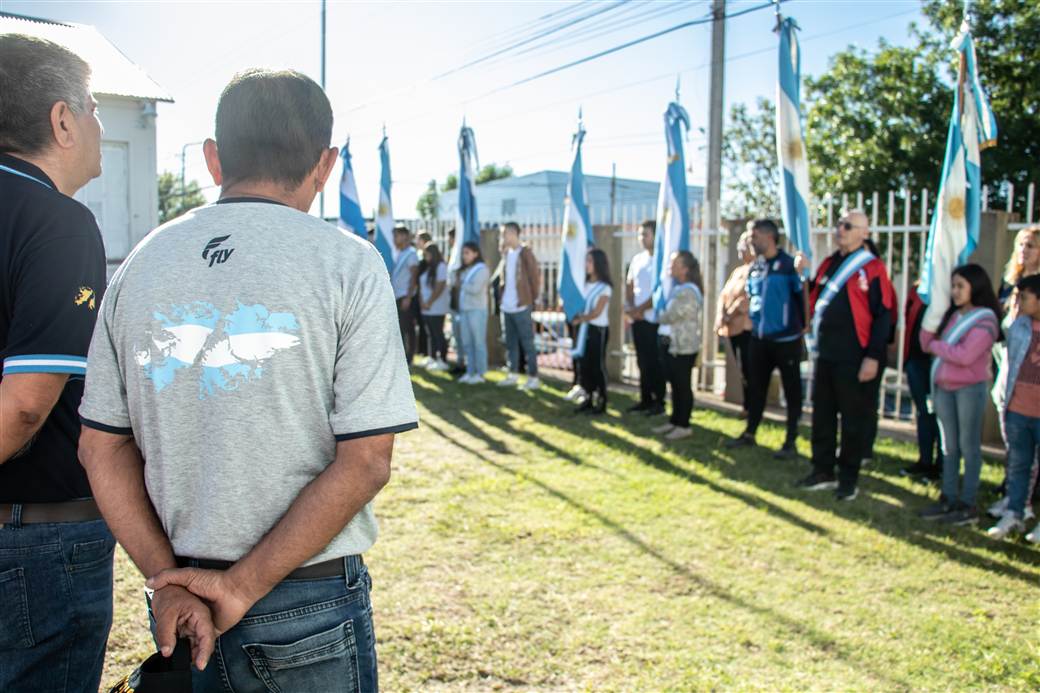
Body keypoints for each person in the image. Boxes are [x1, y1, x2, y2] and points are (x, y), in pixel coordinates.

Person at [77, 68, 418, 691]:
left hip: (180, 598)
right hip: (306, 596)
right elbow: (367, 460)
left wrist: (165, 579)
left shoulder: (139, 265)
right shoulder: (349, 264)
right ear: (326, 163)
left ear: (213, 159)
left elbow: (100, 446)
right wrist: (239, 587)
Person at [0, 34, 118, 693]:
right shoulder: (57, 221)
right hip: (33, 538)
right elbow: (23, 403)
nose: (99, 123)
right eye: (95, 107)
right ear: (62, 119)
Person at [797, 210, 895, 501]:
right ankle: (822, 469)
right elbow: (814, 297)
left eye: (848, 226)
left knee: (853, 419)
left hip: (855, 356)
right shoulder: (829, 263)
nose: (840, 229)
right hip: (826, 353)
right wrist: (803, 274)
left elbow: (883, 315)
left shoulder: (873, 268)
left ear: (864, 233)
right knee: (823, 415)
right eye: (840, 224)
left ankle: (848, 478)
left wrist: (873, 357)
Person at [915, 264, 1001, 526]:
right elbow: (924, 341)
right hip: (944, 389)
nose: (955, 291)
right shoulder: (952, 316)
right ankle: (948, 497)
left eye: (960, 286)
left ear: (975, 287)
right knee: (949, 447)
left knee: (969, 447)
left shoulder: (985, 320)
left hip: (968, 390)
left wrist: (937, 346)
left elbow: (965, 356)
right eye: (953, 286)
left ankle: (967, 503)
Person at [726, 219, 807, 459]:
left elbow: (802, 298)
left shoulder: (788, 266)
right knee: (756, 387)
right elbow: (753, 297)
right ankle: (750, 432)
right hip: (759, 338)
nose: (751, 240)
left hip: (786, 339)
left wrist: (802, 327)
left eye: (754, 236)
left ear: (768, 236)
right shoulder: (757, 267)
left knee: (792, 391)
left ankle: (791, 440)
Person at [987, 225, 1040, 520]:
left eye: (1031, 245)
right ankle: (1014, 499)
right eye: (1021, 244)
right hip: (1008, 366)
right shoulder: (1010, 284)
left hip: (1032, 373)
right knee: (1015, 440)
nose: (1024, 250)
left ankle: (1025, 502)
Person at [652, 250, 704, 440]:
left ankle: (684, 424)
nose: (670, 267)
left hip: (683, 347)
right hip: (673, 344)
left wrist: (658, 315)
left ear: (685, 269)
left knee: (682, 385)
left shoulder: (689, 291)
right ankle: (674, 420)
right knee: (675, 384)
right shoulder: (678, 289)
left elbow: (672, 315)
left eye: (675, 263)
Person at [899, 281, 942, 480]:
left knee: (942, 416)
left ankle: (942, 465)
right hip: (916, 362)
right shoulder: (917, 290)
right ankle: (925, 460)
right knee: (924, 412)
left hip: (939, 363)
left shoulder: (951, 288)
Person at [493, 221, 541, 390]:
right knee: (510, 342)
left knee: (528, 343)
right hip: (507, 307)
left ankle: (533, 377)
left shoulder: (525, 253)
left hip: (522, 306)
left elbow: (535, 278)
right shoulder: (506, 254)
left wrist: (531, 299)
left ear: (513, 233)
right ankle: (512, 374)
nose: (502, 237)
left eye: (504, 233)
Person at [625, 220, 666, 415]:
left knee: (654, 361)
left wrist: (642, 308)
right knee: (642, 361)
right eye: (640, 235)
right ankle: (645, 399)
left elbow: (660, 290)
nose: (642, 239)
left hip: (653, 318)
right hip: (638, 318)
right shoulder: (637, 259)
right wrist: (633, 308)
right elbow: (630, 284)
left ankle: (659, 401)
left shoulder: (662, 259)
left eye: (646, 234)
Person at [715, 229, 754, 418]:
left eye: (744, 245)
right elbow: (724, 295)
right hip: (732, 327)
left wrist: (730, 314)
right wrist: (722, 315)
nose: (740, 249)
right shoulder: (738, 271)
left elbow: (746, 298)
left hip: (745, 327)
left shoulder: (756, 270)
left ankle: (751, 407)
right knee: (742, 368)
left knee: (750, 369)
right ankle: (748, 406)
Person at [571, 248, 613, 415]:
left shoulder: (605, 287)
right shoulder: (584, 284)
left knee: (597, 366)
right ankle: (587, 398)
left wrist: (580, 318)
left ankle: (601, 400)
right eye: (585, 261)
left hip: (598, 330)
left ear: (598, 264)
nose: (586, 265)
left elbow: (597, 312)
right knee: (585, 365)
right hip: (584, 329)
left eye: (589, 261)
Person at [458, 241, 490, 384]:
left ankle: (480, 373)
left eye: (467, 253)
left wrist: (463, 283)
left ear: (475, 253)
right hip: (465, 310)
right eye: (463, 253)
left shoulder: (482, 269)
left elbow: (475, 289)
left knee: (478, 343)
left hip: (477, 310)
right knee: (467, 343)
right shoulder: (468, 269)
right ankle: (470, 372)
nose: (464, 256)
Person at [419, 243, 450, 371]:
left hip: (436, 307)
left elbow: (440, 286)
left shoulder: (441, 266)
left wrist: (429, 302)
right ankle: (432, 357)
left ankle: (442, 359)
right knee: (430, 333)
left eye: (427, 254)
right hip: (425, 306)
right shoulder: (426, 267)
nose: (425, 257)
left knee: (438, 333)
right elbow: (420, 286)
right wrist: (422, 301)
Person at [391, 225, 419, 364]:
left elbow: (414, 275)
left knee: (408, 327)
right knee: (400, 327)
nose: (394, 239)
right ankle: (402, 355)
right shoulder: (399, 253)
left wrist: (408, 296)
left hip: (405, 296)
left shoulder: (411, 253)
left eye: (396, 236)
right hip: (397, 295)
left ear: (404, 236)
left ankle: (410, 356)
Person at [446, 227, 468, 376]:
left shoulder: (462, 261)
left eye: (451, 238)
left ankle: (468, 364)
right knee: (458, 336)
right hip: (454, 304)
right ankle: (460, 362)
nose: (449, 241)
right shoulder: (454, 258)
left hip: (464, 305)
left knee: (466, 338)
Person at [414, 230, 433, 362]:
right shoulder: (420, 255)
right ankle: (424, 352)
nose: (416, 242)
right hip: (420, 295)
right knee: (422, 325)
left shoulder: (429, 258)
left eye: (418, 239)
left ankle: (428, 353)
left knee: (429, 327)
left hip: (427, 297)